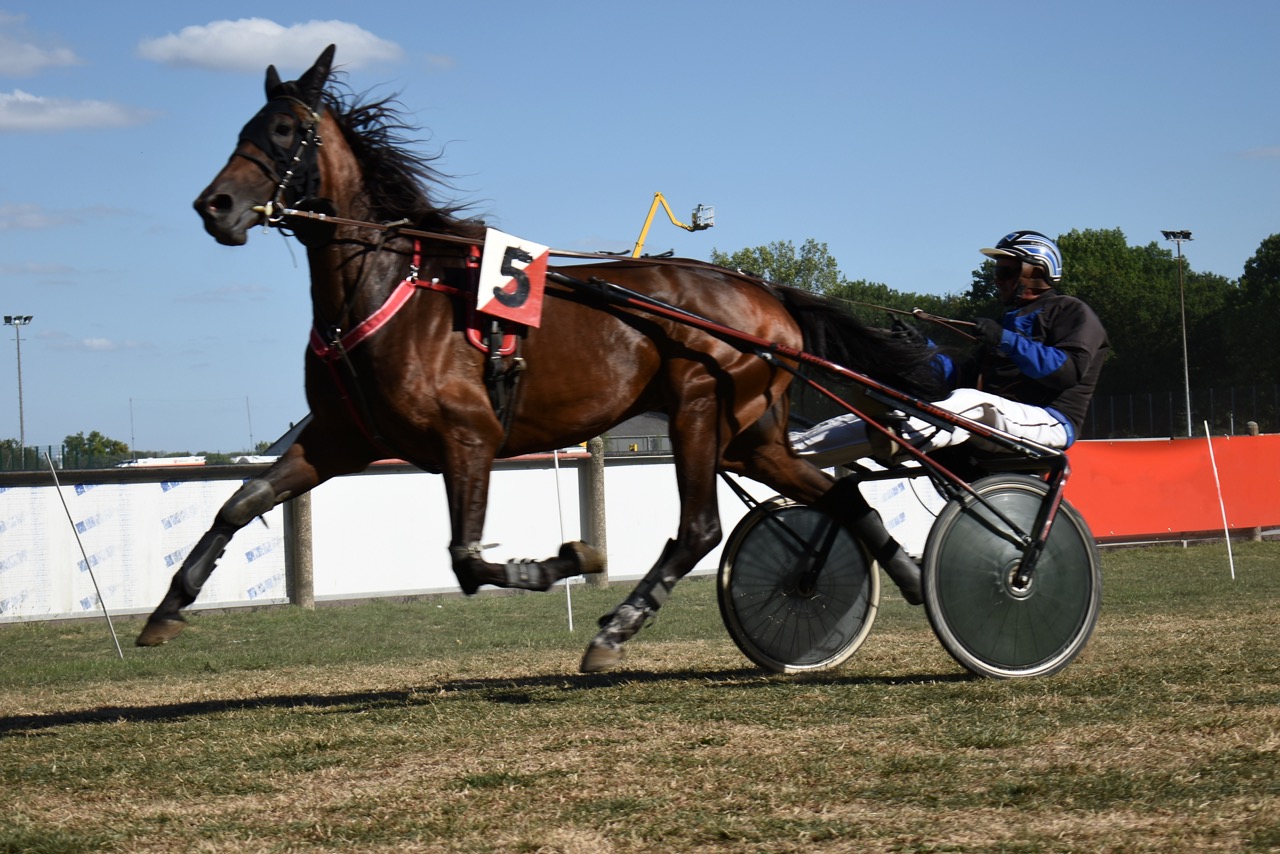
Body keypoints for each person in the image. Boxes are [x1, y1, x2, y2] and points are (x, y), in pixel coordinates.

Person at [796, 230, 1110, 604]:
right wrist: (920, 349)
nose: (997, 279)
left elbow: (1066, 370)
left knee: (970, 402)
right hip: (991, 422)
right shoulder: (1007, 324)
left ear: (1036, 272)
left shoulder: (1071, 311)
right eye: (998, 271)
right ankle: (792, 452)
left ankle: (901, 437)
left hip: (1050, 422)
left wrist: (1004, 340)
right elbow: (954, 375)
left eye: (1007, 271)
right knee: (909, 407)